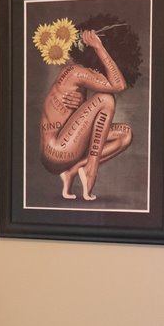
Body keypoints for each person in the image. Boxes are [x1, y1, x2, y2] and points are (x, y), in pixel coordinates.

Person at [38, 27, 133, 201]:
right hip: (55, 150)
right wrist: (99, 47)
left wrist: (81, 105)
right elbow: (119, 85)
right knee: (106, 99)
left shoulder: (80, 78)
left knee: (125, 135)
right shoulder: (74, 73)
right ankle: (91, 168)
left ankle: (73, 171)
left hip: (67, 149)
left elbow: (77, 122)